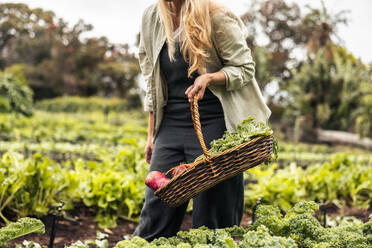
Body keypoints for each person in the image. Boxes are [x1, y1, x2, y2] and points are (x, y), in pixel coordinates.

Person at [133, 0, 271, 241]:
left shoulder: (216, 16)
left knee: (212, 221)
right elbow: (152, 83)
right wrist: (151, 135)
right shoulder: (152, 17)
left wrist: (210, 77)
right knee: (155, 215)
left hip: (214, 123)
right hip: (170, 125)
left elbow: (244, 68)